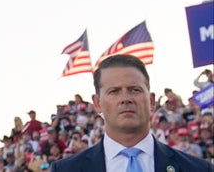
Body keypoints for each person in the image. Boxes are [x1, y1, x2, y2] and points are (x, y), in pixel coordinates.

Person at [50, 55, 211, 172]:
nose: (125, 99)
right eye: (114, 91)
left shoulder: (198, 169)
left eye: (135, 90)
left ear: (152, 101)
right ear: (97, 103)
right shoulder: (65, 169)